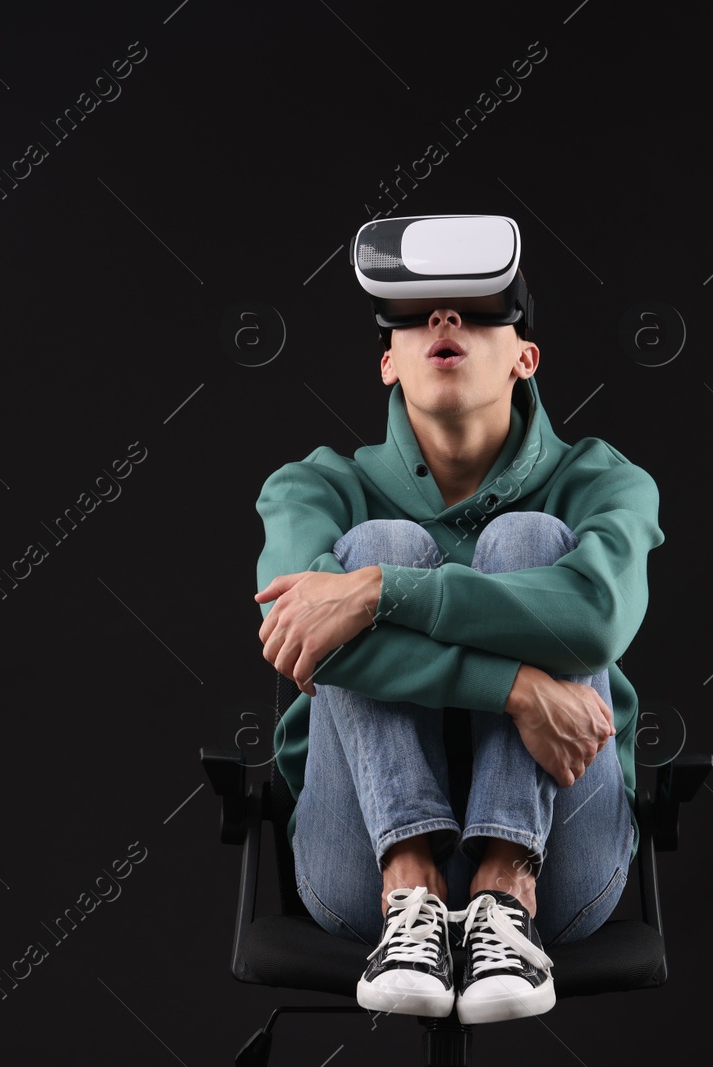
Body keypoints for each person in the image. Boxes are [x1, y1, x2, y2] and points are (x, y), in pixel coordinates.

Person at [253, 215, 663, 1025]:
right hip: (358, 867)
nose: (444, 320)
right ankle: (410, 879)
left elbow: (595, 620)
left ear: (524, 355)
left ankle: (505, 885)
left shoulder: (605, 480)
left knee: (529, 541)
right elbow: (299, 637)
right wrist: (517, 688)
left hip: (563, 868)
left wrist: (378, 593)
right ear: (387, 361)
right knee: (380, 539)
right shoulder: (312, 488)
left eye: (479, 308)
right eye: (414, 314)